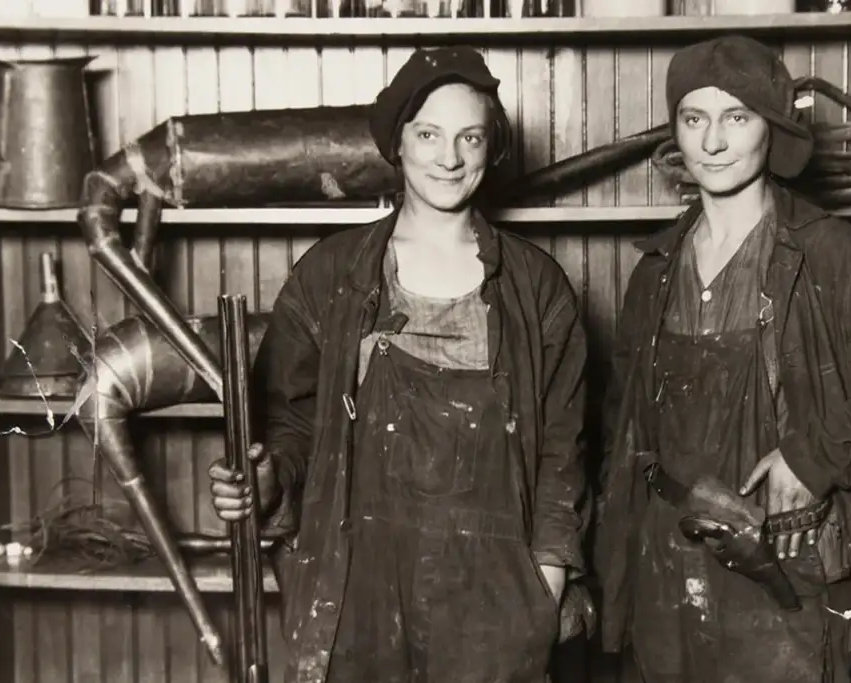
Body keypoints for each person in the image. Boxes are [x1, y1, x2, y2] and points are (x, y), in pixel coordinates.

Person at [207, 46, 592, 683]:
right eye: (428, 135)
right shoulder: (329, 276)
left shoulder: (537, 287)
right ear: (398, 144)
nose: (449, 158)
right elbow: (292, 430)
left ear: (491, 146)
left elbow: (563, 454)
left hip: (494, 605)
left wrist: (543, 590)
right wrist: (267, 480)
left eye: (470, 136)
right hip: (360, 593)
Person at [595, 35, 851, 683]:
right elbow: (623, 436)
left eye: (736, 117)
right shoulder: (655, 270)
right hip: (668, 572)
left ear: (771, 128)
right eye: (695, 118)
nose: (713, 141)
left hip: (783, 574)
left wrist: (817, 454)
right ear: (676, 132)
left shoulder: (831, 255)